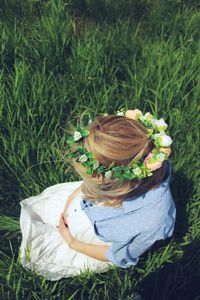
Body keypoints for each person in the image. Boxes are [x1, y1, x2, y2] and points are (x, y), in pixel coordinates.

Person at [19, 109, 176, 281]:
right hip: (87, 211)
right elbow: (85, 189)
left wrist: (72, 242)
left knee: (43, 253)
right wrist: (68, 205)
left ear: (115, 184)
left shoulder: (151, 222)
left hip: (96, 244)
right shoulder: (137, 163)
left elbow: (119, 255)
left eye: (94, 182)